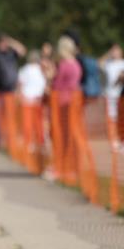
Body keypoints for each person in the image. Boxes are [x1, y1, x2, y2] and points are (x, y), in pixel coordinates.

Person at [45, 36, 82, 181]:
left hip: (61, 103)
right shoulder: (76, 64)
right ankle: (69, 167)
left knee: (60, 135)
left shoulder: (64, 64)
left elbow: (56, 85)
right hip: (72, 102)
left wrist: (49, 77)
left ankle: (61, 167)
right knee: (69, 135)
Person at [0, 34, 27, 148]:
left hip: (9, 91)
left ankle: (10, 140)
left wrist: (11, 41)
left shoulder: (11, 54)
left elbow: (22, 50)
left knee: (10, 117)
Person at [17, 50, 47, 156]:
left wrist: (20, 96)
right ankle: (39, 143)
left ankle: (29, 143)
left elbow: (20, 84)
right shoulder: (40, 70)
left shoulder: (24, 70)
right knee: (38, 123)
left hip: (27, 99)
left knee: (28, 122)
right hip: (37, 99)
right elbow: (43, 84)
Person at [99, 44, 124, 147]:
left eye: (117, 51)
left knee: (123, 118)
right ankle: (114, 139)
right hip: (110, 95)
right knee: (112, 118)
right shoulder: (108, 63)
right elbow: (99, 63)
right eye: (114, 51)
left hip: (122, 94)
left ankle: (123, 139)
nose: (115, 53)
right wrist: (108, 54)